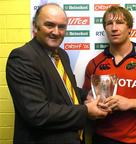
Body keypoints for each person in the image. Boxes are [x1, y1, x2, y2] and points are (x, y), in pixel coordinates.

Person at [6, 3, 109, 144]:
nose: (56, 32)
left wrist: (86, 95)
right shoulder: (22, 57)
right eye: (49, 25)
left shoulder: (61, 54)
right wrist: (85, 111)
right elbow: (37, 113)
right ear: (35, 27)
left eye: (61, 27)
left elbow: (64, 89)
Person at [83, 5, 136, 144]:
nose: (114, 28)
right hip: (102, 138)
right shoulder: (94, 64)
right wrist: (93, 106)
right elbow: (86, 99)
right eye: (109, 23)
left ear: (130, 28)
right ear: (105, 29)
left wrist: (129, 103)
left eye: (119, 22)